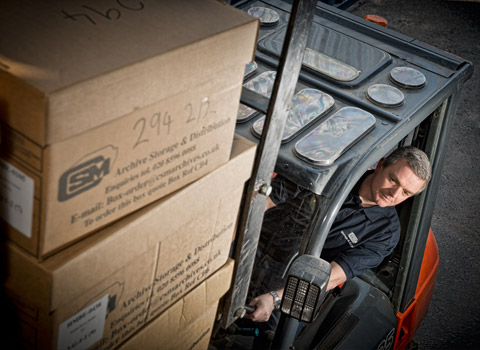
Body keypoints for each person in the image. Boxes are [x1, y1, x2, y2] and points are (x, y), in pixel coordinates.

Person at [244, 146, 431, 329]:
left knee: (275, 332)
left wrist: (275, 298)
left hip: (301, 279)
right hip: (257, 243)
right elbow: (262, 203)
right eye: (393, 180)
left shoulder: (385, 234)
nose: (394, 194)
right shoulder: (331, 173)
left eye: (406, 193)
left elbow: (332, 277)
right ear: (381, 164)